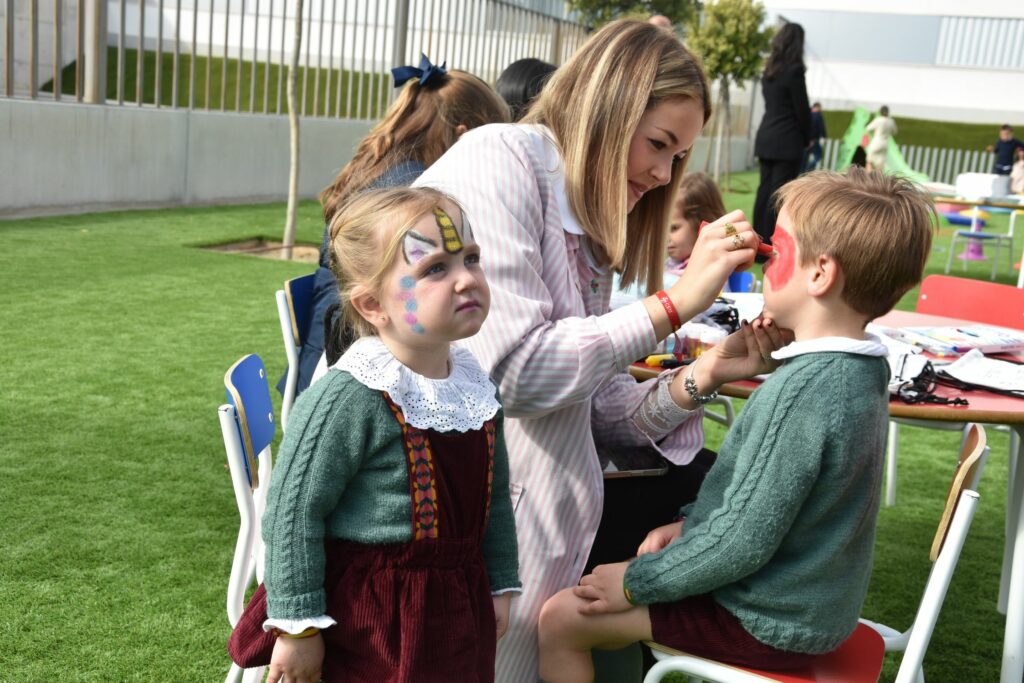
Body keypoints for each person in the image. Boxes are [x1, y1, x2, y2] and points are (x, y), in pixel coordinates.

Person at [414, 19, 789, 682]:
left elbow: (602, 410)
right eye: (658, 144)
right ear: (610, 106)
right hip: (446, 534)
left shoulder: (582, 217)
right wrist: (674, 303)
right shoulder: (497, 163)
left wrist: (707, 371)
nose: (663, 171)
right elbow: (513, 374)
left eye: (678, 157)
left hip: (525, 541)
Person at [535, 167, 935, 683]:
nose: (763, 262)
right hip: (807, 609)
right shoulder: (860, 367)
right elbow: (777, 509)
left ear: (819, 274)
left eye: (775, 252)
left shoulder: (805, 391)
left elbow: (740, 542)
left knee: (562, 618)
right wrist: (688, 527)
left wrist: (636, 582)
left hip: (767, 620)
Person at [228, 187, 521, 683]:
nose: (467, 278)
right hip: (374, 619)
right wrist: (299, 630)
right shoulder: (352, 397)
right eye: (435, 269)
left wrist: (500, 583)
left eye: (471, 258)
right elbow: (292, 515)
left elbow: (491, 500)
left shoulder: (474, 387)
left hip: (458, 605)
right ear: (371, 305)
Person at [281, 56, 509, 398]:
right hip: (357, 373)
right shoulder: (413, 202)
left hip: (324, 360)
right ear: (465, 137)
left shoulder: (384, 172)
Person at [752, 22, 812, 243]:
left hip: (766, 136)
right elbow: (802, 111)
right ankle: (772, 241)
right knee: (780, 193)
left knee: (764, 189)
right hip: (787, 141)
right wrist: (808, 138)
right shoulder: (795, 71)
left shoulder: (768, 72)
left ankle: (758, 239)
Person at [665, 172, 727, 277]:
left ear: (701, 224)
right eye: (663, 230)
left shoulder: (712, 269)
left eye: (674, 228)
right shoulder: (672, 263)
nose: (666, 238)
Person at [864, 105, 897, 173]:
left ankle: (868, 177)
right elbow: (894, 132)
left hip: (877, 141)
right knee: (880, 164)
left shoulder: (878, 120)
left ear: (880, 112)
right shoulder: (891, 121)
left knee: (869, 160)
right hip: (885, 143)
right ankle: (878, 180)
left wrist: (871, 134)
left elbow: (868, 128)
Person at [801, 102, 827, 172]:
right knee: (818, 155)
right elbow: (821, 127)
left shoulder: (806, 114)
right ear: (817, 107)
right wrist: (824, 136)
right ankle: (808, 168)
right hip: (814, 140)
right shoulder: (818, 115)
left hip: (804, 141)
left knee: (804, 159)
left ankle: (802, 173)